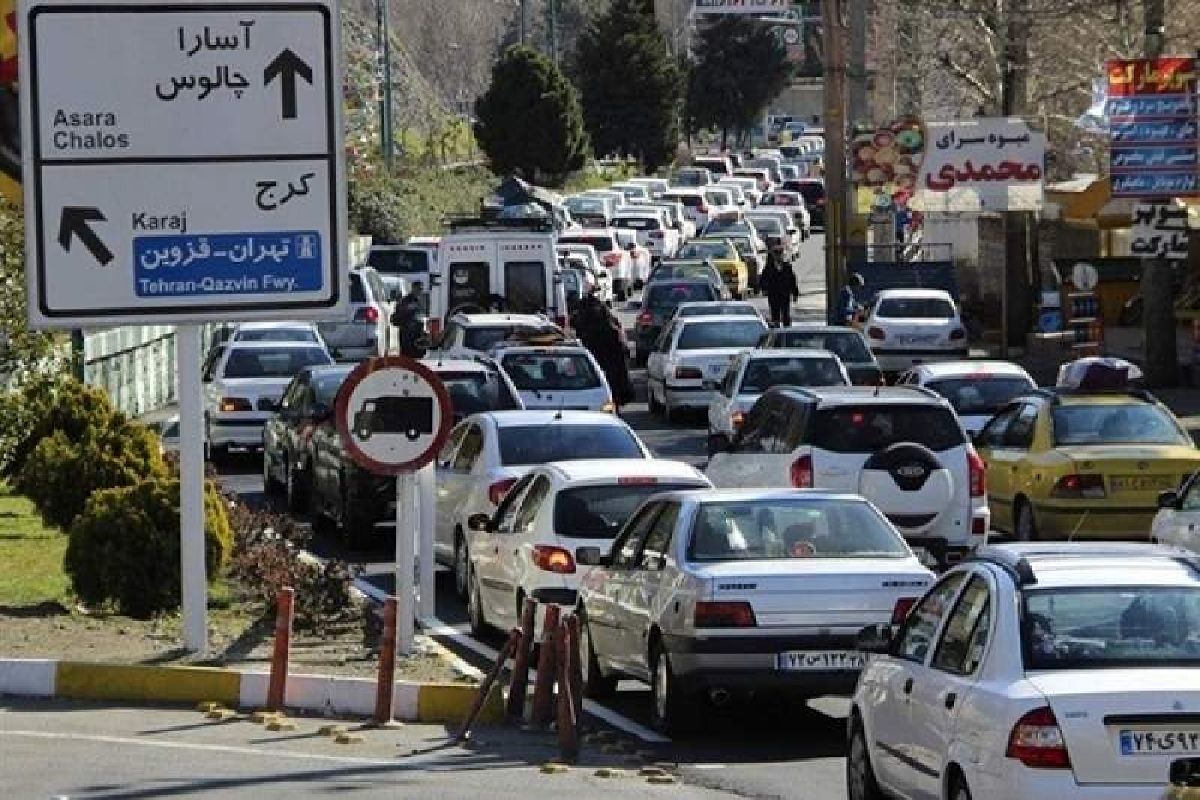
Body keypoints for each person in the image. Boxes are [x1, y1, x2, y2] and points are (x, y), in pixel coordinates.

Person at [571, 294, 634, 411]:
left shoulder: (584, 323)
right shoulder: (612, 325)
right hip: (612, 369)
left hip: (593, 369)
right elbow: (624, 349)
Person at [758, 246, 799, 327]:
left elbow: (792, 280)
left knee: (786, 316)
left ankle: (787, 334)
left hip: (785, 295)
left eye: (780, 254)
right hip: (773, 295)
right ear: (773, 256)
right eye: (776, 254)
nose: (778, 256)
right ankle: (777, 334)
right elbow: (763, 280)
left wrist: (795, 293)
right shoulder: (769, 268)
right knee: (775, 316)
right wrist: (764, 289)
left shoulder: (787, 267)